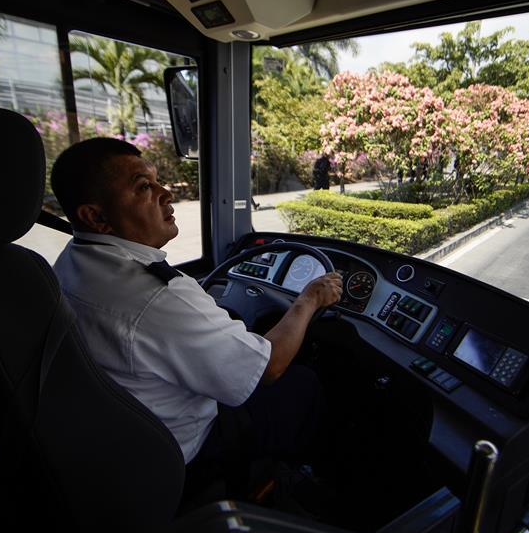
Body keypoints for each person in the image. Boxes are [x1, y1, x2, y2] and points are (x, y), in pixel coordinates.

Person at [50, 137, 342, 494]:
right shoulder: (156, 294)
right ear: (95, 216)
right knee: (305, 383)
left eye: (158, 180)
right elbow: (269, 367)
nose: (166, 193)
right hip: (187, 452)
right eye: (144, 187)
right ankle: (312, 480)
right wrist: (309, 298)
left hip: (116, 436)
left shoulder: (70, 259)